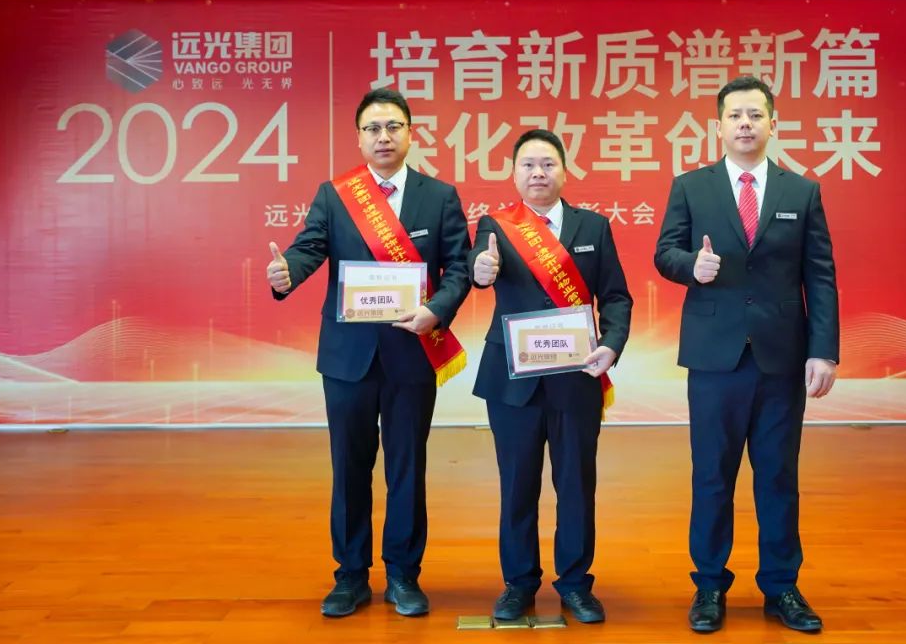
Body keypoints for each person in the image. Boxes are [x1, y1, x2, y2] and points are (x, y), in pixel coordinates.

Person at [266, 88, 471, 619]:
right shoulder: (336, 196)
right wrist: (288, 272)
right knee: (349, 468)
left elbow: (460, 266)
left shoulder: (439, 196)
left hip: (411, 352)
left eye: (394, 127)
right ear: (359, 137)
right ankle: (350, 575)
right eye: (373, 128)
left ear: (411, 134)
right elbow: (309, 248)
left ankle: (403, 574)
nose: (384, 137)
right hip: (348, 359)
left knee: (407, 467)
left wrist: (437, 310)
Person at [653, 76, 838, 633]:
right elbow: (665, 253)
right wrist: (692, 266)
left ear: (772, 124)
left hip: (781, 358)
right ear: (719, 125)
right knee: (712, 475)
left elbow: (819, 276)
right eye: (735, 115)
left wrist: (823, 351)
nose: (745, 124)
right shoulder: (692, 187)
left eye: (755, 115)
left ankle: (781, 587)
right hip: (716, 358)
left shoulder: (801, 192)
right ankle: (710, 584)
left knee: (778, 476)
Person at [469, 129, 632, 624]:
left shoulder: (593, 226)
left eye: (547, 164)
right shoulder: (496, 226)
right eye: (528, 165)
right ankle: (518, 584)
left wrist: (611, 344)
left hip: (576, 377)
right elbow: (477, 270)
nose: (538, 173)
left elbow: (616, 296)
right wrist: (481, 271)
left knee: (576, 484)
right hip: (513, 381)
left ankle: (576, 584)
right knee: (517, 485)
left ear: (564, 171)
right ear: (513, 173)